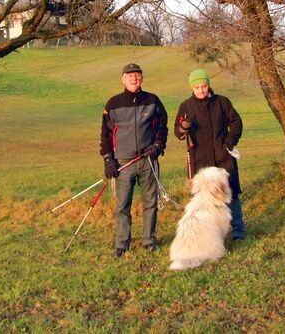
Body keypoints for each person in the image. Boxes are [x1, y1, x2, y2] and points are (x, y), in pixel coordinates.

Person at [100, 63, 168, 258]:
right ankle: (122, 244)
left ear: (142, 79)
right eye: (129, 76)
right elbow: (105, 134)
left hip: (148, 161)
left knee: (150, 203)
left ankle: (149, 241)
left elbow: (163, 127)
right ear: (123, 79)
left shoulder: (153, 100)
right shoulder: (113, 103)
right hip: (123, 163)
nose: (133, 79)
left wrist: (157, 146)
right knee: (122, 206)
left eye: (137, 75)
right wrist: (108, 160)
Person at [174, 68, 246, 241]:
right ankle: (209, 233)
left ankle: (238, 230)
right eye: (197, 87)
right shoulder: (186, 106)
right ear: (192, 88)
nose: (201, 90)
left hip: (223, 157)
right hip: (199, 160)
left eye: (204, 86)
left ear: (208, 85)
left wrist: (229, 141)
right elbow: (178, 132)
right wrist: (183, 128)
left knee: (231, 192)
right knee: (203, 198)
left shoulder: (222, 102)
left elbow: (236, 122)